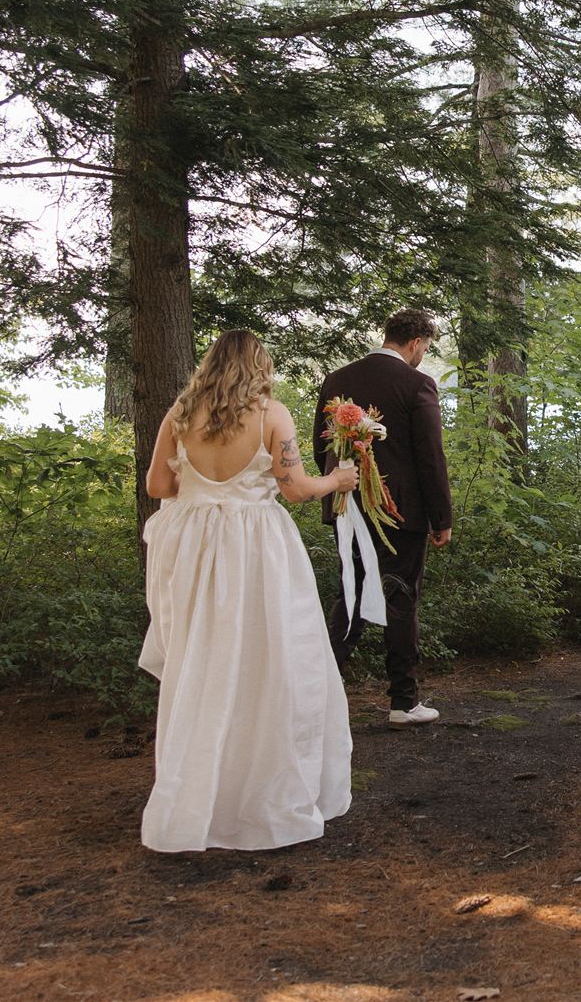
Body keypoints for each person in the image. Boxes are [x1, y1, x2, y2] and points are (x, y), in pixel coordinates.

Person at [138, 329, 360, 853]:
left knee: (203, 664)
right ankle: (263, 794)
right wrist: (340, 479)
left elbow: (157, 488)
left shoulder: (179, 413)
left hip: (193, 551)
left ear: (210, 364)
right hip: (254, 548)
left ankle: (198, 800)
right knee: (270, 660)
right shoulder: (269, 414)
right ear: (259, 366)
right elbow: (297, 489)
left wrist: (203, 491)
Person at [316, 308, 453, 727]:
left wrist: (337, 497)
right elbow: (430, 456)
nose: (423, 355)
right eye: (426, 348)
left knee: (351, 598)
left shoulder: (337, 380)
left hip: (349, 508)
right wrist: (441, 517)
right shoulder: (417, 384)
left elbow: (321, 447)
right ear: (416, 342)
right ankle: (403, 702)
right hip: (402, 513)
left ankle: (315, 695)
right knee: (401, 599)